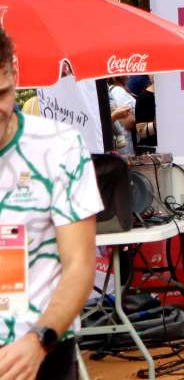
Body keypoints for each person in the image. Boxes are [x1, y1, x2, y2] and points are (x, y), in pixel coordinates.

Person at [0, 25, 103, 379]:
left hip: (41, 352)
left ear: (14, 71)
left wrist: (38, 341)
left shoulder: (59, 147)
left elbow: (80, 265)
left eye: (1, 93)